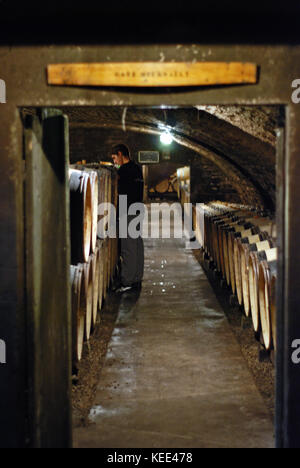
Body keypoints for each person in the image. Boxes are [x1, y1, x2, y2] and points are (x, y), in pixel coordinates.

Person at [111, 144, 144, 293]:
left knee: (128, 248)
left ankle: (127, 282)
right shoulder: (137, 168)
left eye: (114, 158)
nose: (114, 162)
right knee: (137, 244)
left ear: (120, 154)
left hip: (127, 211)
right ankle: (137, 278)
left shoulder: (123, 171)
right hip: (137, 209)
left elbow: (119, 193)